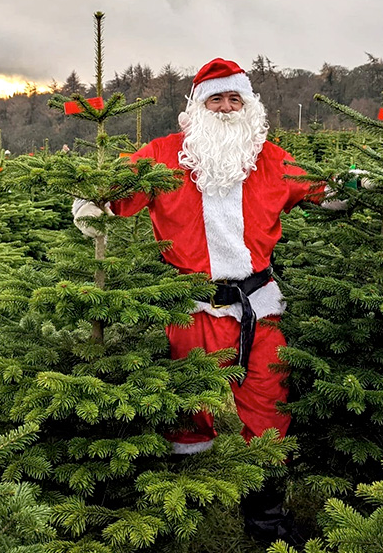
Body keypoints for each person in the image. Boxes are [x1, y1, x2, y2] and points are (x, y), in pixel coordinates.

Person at [73, 58, 326, 544]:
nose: (227, 107)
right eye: (217, 98)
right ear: (198, 106)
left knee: (269, 407)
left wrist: (362, 184)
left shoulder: (270, 157)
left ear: (248, 104)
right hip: (192, 308)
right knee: (189, 409)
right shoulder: (164, 155)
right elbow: (112, 196)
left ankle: (267, 521)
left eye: (235, 98)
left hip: (259, 307)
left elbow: (321, 187)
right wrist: (91, 198)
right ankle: (185, 512)